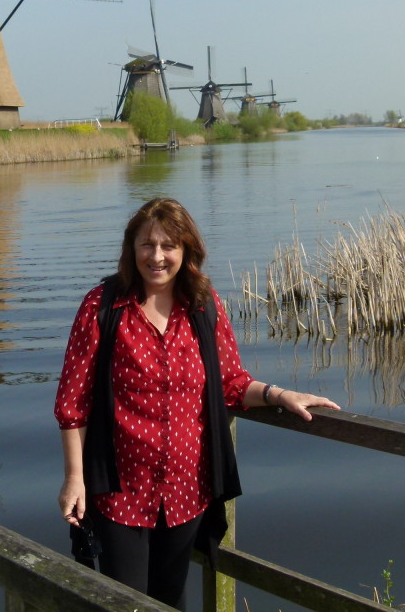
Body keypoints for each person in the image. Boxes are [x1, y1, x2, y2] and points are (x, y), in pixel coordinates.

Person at [54, 197, 341, 610]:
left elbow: (229, 382)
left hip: (187, 490)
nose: (157, 256)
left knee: (172, 601)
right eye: (146, 245)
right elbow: (73, 402)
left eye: (169, 245)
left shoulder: (203, 306)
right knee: (125, 604)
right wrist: (74, 479)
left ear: (186, 251)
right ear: (130, 249)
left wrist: (279, 395)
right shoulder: (103, 307)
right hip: (120, 491)